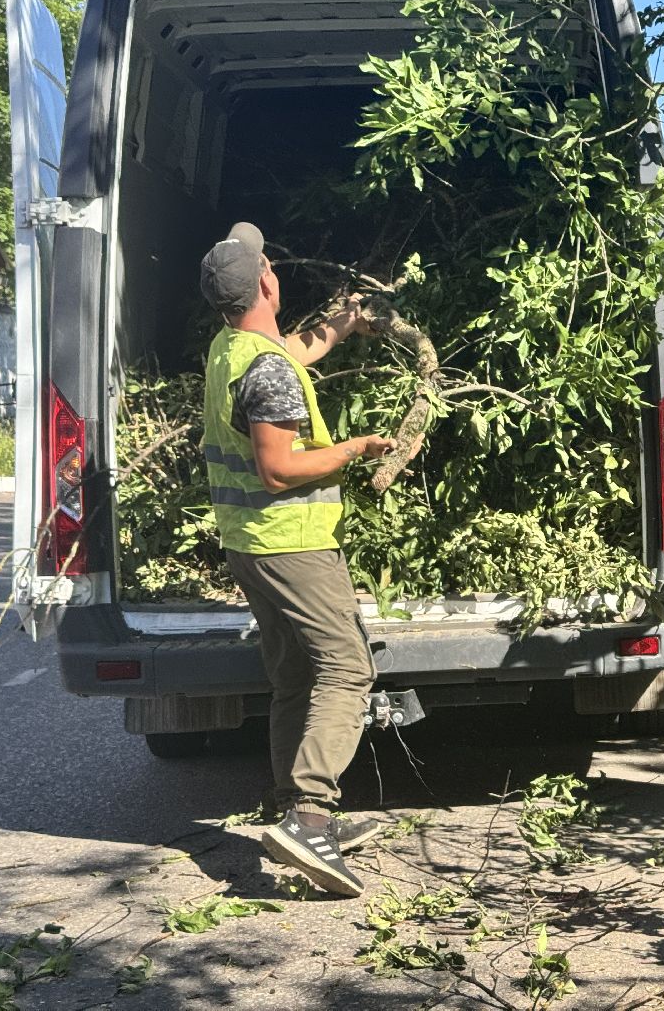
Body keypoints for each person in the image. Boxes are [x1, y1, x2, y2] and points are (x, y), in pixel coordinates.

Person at [200, 222, 394, 896]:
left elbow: (292, 352)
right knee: (347, 668)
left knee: (293, 676)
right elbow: (279, 469)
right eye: (268, 265)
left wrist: (344, 322)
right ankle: (311, 818)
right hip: (291, 542)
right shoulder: (267, 369)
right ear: (265, 282)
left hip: (249, 541)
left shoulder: (232, 347)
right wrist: (355, 449)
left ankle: (291, 811)